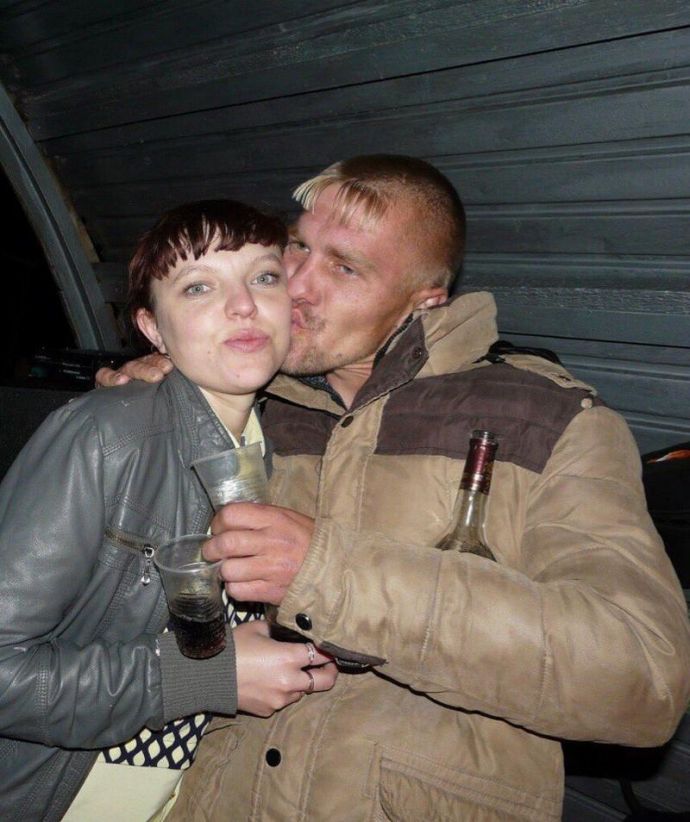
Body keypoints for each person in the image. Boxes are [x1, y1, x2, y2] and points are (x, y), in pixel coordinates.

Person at [98, 157, 690, 821]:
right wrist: (164, 393)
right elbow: (119, 618)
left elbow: (644, 679)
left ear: (425, 297)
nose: (296, 285)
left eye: (345, 268)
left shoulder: (547, 420)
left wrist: (331, 574)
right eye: (296, 247)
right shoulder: (245, 404)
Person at [0, 199, 337, 822]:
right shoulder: (109, 435)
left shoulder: (286, 450)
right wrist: (207, 677)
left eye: (264, 277)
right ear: (153, 329)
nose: (243, 305)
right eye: (199, 287)